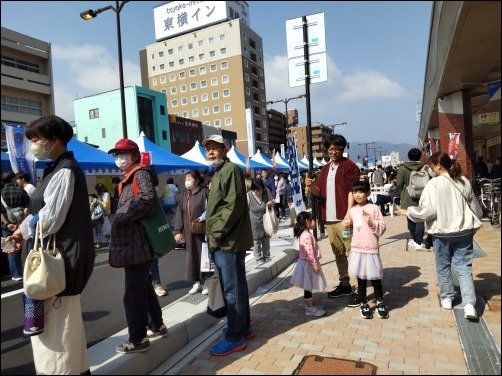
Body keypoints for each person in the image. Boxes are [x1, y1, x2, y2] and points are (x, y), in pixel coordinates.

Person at [6, 115, 95, 374]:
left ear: (54, 140)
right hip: (58, 261)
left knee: (54, 336)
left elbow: (50, 219)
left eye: (36, 139)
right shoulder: (57, 168)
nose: (34, 144)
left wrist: (25, 229)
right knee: (66, 332)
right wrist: (23, 232)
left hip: (57, 264)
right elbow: (45, 215)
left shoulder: (64, 170)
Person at [396, 152, 482, 320]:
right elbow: (475, 206)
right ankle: (469, 304)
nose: (430, 169)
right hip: (464, 230)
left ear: (437, 165)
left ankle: (447, 298)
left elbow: (428, 211)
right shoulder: (463, 180)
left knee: (443, 267)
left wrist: (408, 211)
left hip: (442, 232)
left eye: (430, 166)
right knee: (464, 268)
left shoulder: (433, 184)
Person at [107, 138, 168, 353]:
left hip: (137, 243)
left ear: (134, 155)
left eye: (122, 154)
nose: (119, 158)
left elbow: (147, 199)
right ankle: (157, 325)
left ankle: (138, 338)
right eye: (116, 154)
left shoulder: (139, 173)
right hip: (134, 243)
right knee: (143, 286)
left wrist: (122, 216)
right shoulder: (130, 175)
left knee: (133, 293)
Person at [203, 135, 254, 356]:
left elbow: (232, 206)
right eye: (208, 149)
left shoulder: (230, 170)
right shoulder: (219, 172)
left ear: (225, 150)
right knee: (238, 287)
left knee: (232, 291)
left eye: (215, 148)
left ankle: (235, 336)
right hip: (227, 239)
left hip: (227, 241)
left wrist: (215, 235)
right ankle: (243, 327)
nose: (211, 152)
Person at [305, 134, 361, 307]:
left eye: (337, 149)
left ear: (343, 149)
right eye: (330, 149)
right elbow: (318, 192)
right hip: (329, 219)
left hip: (343, 218)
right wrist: (310, 185)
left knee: (353, 252)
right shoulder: (325, 169)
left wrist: (348, 213)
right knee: (338, 253)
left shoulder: (350, 166)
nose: (333, 152)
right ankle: (345, 284)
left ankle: (360, 289)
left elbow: (352, 191)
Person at [345, 181, 388, 319]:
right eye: (355, 192)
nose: (357, 195)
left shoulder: (374, 208)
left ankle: (380, 302)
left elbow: (382, 228)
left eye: (361, 192)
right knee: (361, 279)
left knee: (375, 279)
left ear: (368, 193)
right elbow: (349, 229)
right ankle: (363, 303)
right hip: (357, 249)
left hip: (371, 248)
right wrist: (346, 225)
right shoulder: (352, 210)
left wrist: (370, 222)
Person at [174, 169, 210, 295]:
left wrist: (203, 218)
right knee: (192, 256)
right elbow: (179, 213)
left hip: (203, 231)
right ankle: (197, 282)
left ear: (197, 180)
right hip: (189, 233)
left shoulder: (205, 193)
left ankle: (207, 282)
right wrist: (178, 231)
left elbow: (211, 209)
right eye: (186, 179)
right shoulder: (184, 195)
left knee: (204, 256)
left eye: (189, 178)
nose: (187, 181)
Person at [290, 211, 328, 317]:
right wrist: (315, 264)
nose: (315, 222)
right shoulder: (306, 235)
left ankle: (309, 305)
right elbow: (309, 252)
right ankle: (310, 308)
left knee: (308, 286)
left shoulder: (305, 233)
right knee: (308, 286)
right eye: (312, 220)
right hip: (308, 264)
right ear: (307, 221)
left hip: (306, 263)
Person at [1, 172, 30, 281]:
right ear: (13, 179)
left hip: (6, 226)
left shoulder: (1, 193)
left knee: (10, 248)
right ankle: (28, 270)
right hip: (21, 225)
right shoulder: (21, 191)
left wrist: (8, 224)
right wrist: (21, 222)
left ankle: (17, 275)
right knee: (24, 246)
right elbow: (27, 206)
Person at [396, 148, 426, 250]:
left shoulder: (403, 168)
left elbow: (399, 183)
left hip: (408, 196)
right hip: (423, 196)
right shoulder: (424, 167)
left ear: (409, 156)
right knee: (420, 219)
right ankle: (418, 241)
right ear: (420, 156)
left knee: (410, 218)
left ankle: (416, 240)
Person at [247, 177, 275, 266]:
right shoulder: (248, 195)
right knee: (256, 241)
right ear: (253, 188)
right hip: (253, 221)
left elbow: (272, 201)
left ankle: (267, 256)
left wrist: (270, 204)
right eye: (257, 189)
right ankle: (258, 258)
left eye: (260, 188)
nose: (259, 191)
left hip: (265, 219)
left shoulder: (266, 191)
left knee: (266, 238)